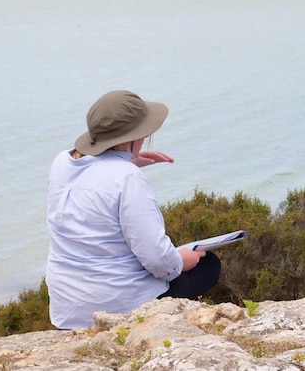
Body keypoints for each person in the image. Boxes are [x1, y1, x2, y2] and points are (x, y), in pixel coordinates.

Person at [45, 90, 221, 329]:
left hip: (67, 310)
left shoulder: (61, 162)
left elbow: (95, 179)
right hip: (119, 306)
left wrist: (125, 160)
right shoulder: (128, 178)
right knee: (208, 264)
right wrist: (181, 260)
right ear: (131, 136)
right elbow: (159, 262)